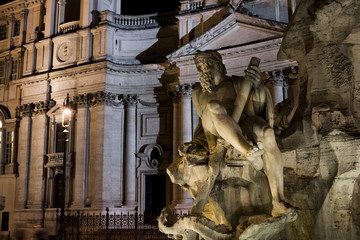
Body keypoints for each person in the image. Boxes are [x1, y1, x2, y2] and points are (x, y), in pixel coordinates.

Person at [192, 50, 290, 217]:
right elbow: (205, 126)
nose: (204, 70)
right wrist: (212, 147)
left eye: (209, 65)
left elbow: (257, 107)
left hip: (241, 124)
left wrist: (258, 85)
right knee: (214, 106)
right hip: (216, 129)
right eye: (201, 68)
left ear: (221, 66)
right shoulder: (197, 92)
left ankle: (278, 199)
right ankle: (247, 150)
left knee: (267, 132)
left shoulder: (237, 82)